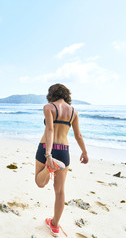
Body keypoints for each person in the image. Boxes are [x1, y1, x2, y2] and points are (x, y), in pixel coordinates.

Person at [35, 83, 88, 237]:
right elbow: (78, 135)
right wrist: (84, 152)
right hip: (64, 151)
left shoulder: (49, 107)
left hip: (47, 147)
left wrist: (49, 154)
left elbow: (50, 129)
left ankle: (48, 168)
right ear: (67, 95)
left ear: (51, 94)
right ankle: (55, 225)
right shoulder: (74, 112)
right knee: (60, 191)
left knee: (40, 182)